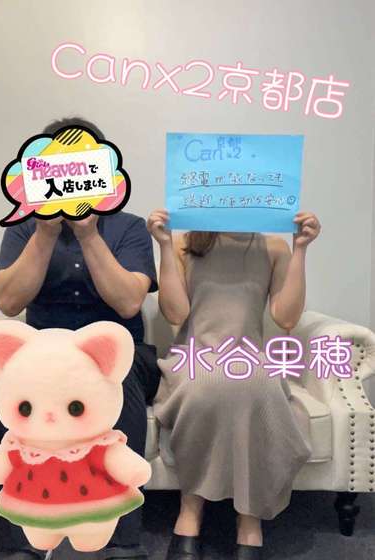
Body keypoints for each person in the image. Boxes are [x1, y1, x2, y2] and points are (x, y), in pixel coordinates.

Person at [0, 117, 161, 560]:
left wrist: (88, 233)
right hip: (40, 359)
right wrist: (44, 232)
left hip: (115, 354)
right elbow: (8, 301)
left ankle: (122, 541)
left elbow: (128, 303)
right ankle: (18, 539)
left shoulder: (129, 227)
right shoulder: (24, 228)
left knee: (119, 382)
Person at [147, 209, 321, 560]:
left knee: (257, 387)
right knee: (205, 387)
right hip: (194, 358)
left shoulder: (273, 246)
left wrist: (300, 248)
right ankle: (190, 510)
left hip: (247, 358)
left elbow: (286, 317)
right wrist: (164, 245)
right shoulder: (184, 243)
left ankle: (249, 519)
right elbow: (176, 314)